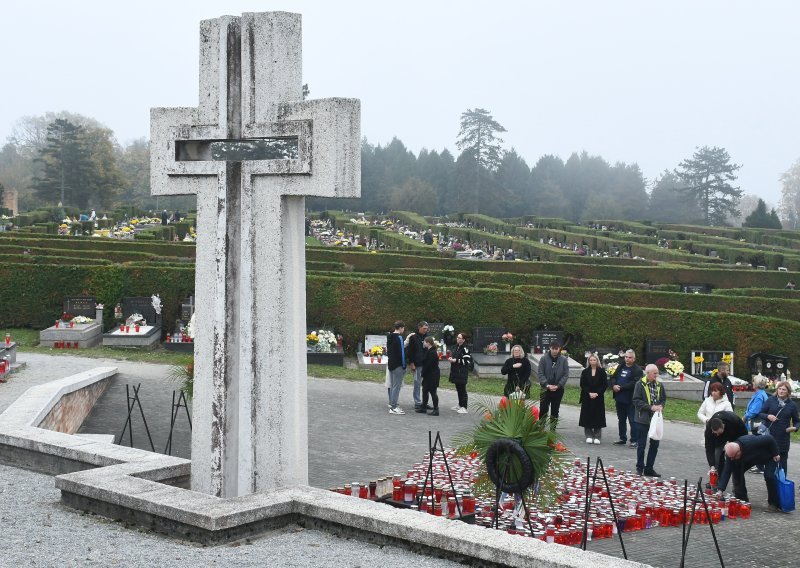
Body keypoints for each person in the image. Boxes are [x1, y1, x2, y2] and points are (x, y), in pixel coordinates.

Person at [717, 435, 783, 513]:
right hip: (750, 459)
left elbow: (769, 438)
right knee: (737, 471)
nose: (732, 459)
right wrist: (720, 489)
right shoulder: (730, 454)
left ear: (739, 451)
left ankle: (773, 504)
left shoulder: (751, 442)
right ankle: (742, 499)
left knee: (769, 476)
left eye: (734, 457)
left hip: (768, 456)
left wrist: (775, 453)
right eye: (731, 458)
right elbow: (727, 471)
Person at [757, 381, 799, 473]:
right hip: (769, 437)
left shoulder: (792, 405)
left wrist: (795, 428)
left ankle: (782, 482)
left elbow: (797, 421)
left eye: (783, 389)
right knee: (769, 471)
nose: (781, 391)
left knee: (782, 468)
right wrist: (768, 416)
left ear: (788, 392)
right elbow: (760, 413)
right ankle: (770, 479)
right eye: (779, 389)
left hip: (783, 439)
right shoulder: (771, 400)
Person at [632, 364, 666, 476]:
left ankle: (649, 468)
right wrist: (650, 407)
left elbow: (663, 399)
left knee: (655, 445)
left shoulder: (659, 384)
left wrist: (661, 406)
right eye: (654, 373)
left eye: (657, 373)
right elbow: (636, 400)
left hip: (655, 420)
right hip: (642, 419)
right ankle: (639, 468)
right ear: (647, 373)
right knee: (641, 445)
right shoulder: (639, 384)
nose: (657, 375)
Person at [704, 411, 749, 492]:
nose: (717, 435)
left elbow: (745, 436)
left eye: (719, 433)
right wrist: (712, 465)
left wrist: (740, 448)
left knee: (735, 462)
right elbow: (709, 448)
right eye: (715, 433)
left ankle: (738, 489)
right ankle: (716, 485)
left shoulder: (734, 421)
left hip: (736, 437)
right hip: (719, 442)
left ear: (723, 426)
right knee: (716, 459)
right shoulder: (709, 430)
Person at [610, 349, 643, 447]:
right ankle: (622, 438)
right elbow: (613, 377)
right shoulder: (621, 366)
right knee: (621, 420)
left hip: (630, 400)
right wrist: (614, 385)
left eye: (630, 357)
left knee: (632, 420)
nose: (627, 359)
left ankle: (634, 440)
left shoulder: (637, 370)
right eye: (626, 357)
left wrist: (621, 387)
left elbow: (635, 383)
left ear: (634, 359)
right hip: (619, 398)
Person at [537, 341, 569, 428]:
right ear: (550, 348)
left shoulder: (563, 360)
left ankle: (552, 429)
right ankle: (541, 428)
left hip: (558, 389)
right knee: (543, 409)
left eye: (556, 349)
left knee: (555, 410)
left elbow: (565, 374)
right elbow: (540, 373)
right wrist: (546, 385)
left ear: (559, 349)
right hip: (545, 389)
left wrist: (558, 385)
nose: (554, 350)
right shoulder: (543, 359)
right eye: (553, 348)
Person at [579, 353, 608, 444]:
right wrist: (589, 393)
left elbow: (604, 384)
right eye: (591, 360)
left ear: (597, 361)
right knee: (587, 415)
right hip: (587, 396)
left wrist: (597, 393)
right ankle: (588, 435)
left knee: (598, 415)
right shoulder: (585, 371)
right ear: (588, 361)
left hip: (598, 397)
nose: (592, 362)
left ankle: (597, 436)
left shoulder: (602, 372)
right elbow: (582, 384)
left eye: (594, 360)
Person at [405, 321, 429, 411]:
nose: (425, 330)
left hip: (426, 363)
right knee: (417, 383)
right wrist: (412, 363)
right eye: (424, 328)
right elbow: (410, 351)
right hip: (417, 363)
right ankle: (417, 402)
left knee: (426, 384)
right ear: (419, 327)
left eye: (426, 329)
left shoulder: (427, 337)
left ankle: (425, 402)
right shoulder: (413, 337)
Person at [448, 332, 472, 414]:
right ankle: (460, 405)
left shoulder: (465, 348)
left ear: (463, 340)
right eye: (457, 337)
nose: (457, 339)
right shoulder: (457, 347)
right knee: (458, 388)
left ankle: (464, 407)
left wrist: (456, 360)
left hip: (462, 372)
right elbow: (455, 356)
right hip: (456, 371)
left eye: (459, 338)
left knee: (462, 389)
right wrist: (451, 358)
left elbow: (467, 361)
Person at [416, 336, 440, 416]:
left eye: (425, 342)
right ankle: (424, 407)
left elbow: (429, 365)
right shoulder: (428, 350)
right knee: (425, 390)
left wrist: (422, 373)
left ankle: (436, 409)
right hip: (428, 374)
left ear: (428, 343)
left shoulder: (432, 352)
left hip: (432, 375)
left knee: (433, 391)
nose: (423, 343)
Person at [386, 321, 406, 415]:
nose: (403, 330)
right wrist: (404, 365)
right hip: (398, 365)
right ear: (401, 328)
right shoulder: (399, 338)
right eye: (403, 328)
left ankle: (392, 404)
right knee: (396, 387)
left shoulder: (389, 336)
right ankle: (393, 407)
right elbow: (402, 353)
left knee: (393, 386)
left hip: (391, 364)